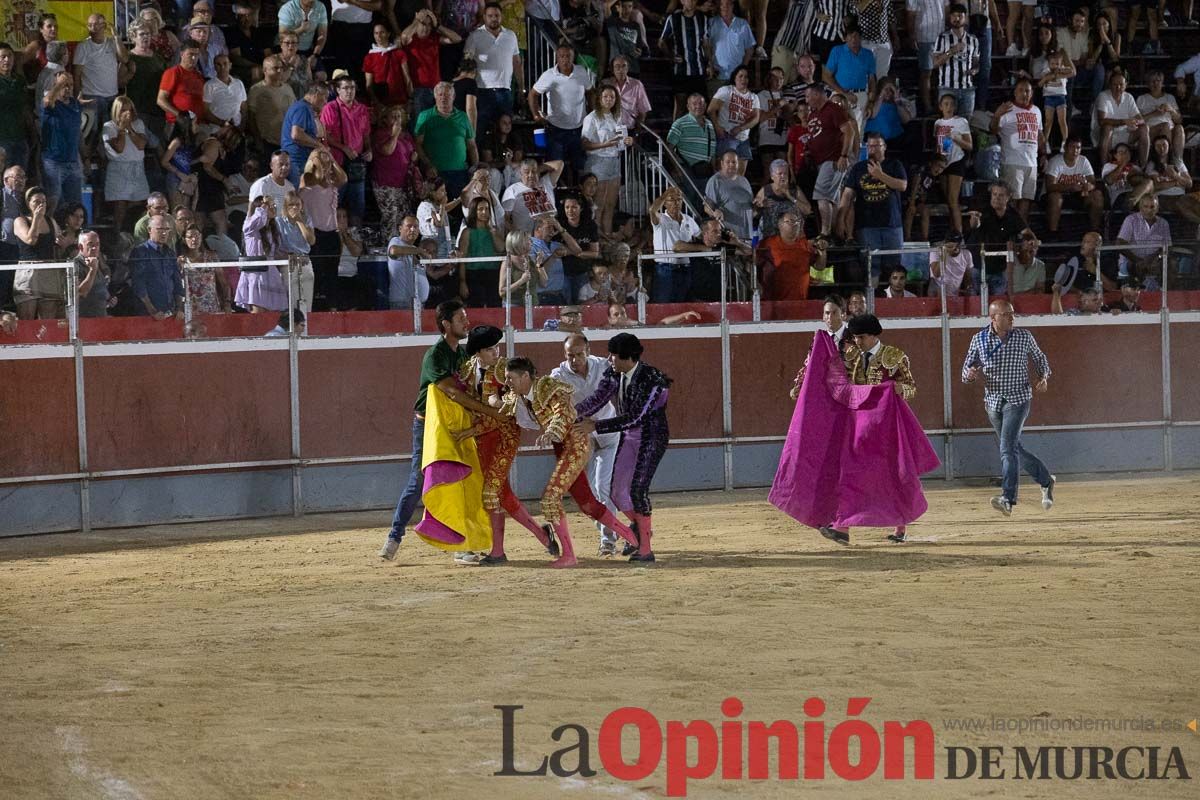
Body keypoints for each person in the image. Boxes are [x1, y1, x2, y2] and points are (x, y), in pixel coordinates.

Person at [379, 300, 508, 561]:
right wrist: (491, 413)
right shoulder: (435, 355)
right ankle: (395, 535)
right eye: (461, 319)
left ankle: (460, 546)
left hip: (456, 426)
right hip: (428, 426)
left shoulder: (462, 356)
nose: (466, 322)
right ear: (446, 324)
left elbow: (469, 391)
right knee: (418, 482)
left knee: (461, 481)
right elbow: (452, 392)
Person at [502, 355, 640, 567]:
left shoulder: (547, 385)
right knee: (588, 504)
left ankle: (569, 556)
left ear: (525, 376)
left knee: (550, 498)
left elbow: (563, 410)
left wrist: (552, 430)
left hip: (575, 444)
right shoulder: (519, 396)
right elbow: (503, 408)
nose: (507, 383)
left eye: (510, 378)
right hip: (562, 448)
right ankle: (633, 539)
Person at [449, 325, 558, 564]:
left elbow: (505, 415)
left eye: (496, 347)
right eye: (489, 349)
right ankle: (543, 535)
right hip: (483, 438)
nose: (496, 353)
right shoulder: (467, 370)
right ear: (477, 352)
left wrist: (470, 430)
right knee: (502, 494)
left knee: (491, 492)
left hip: (504, 437)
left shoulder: (505, 373)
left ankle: (498, 552)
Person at [819, 313, 921, 544]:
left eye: (862, 337)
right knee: (848, 472)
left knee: (895, 475)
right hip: (857, 424)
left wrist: (896, 388)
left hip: (886, 428)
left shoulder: (894, 357)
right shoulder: (851, 355)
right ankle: (841, 527)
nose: (857, 342)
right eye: (854, 337)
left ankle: (900, 527)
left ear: (874, 335)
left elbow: (911, 388)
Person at [573, 333, 671, 562]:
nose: (609, 359)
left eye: (613, 356)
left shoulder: (653, 380)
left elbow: (636, 417)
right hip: (629, 435)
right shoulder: (614, 372)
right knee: (616, 491)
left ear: (627, 358)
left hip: (651, 437)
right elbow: (598, 398)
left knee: (637, 490)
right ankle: (639, 526)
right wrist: (572, 415)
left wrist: (595, 426)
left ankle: (645, 549)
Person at [962, 299, 1055, 516]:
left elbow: (1041, 359)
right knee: (1013, 449)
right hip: (993, 402)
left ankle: (1008, 498)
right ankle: (1045, 479)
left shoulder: (1024, 337)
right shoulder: (979, 340)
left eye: (1012, 314)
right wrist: (970, 375)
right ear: (993, 318)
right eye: (1006, 315)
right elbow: (966, 372)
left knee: (1007, 449)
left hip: (1018, 399)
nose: (1012, 318)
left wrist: (1044, 377)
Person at [550, 334, 624, 555]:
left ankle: (608, 540)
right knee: (589, 494)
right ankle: (613, 527)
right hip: (583, 438)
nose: (575, 360)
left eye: (579, 355)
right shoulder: (558, 375)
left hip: (609, 433)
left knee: (603, 488)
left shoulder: (604, 366)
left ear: (588, 351)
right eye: (570, 356)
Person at [837, 132, 908, 282]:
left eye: (876, 146)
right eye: (869, 146)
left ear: (884, 147)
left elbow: (902, 185)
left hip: (892, 225)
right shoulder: (858, 168)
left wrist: (880, 175)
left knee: (894, 267)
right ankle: (872, 300)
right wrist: (840, 219)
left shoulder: (894, 164)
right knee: (870, 268)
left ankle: (891, 301)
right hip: (866, 226)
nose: (872, 149)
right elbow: (847, 195)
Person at [529, 43, 594, 176]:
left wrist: (592, 114)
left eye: (568, 56)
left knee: (580, 167)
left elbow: (590, 92)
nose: (565, 59)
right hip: (556, 130)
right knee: (554, 167)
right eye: (562, 56)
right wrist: (536, 115)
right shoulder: (549, 75)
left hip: (579, 129)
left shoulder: (581, 71)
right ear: (557, 58)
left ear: (573, 57)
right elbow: (533, 94)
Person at [798, 84, 855, 238]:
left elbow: (849, 131)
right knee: (832, 198)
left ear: (817, 95)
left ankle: (825, 233)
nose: (807, 100)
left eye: (808, 96)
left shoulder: (833, 109)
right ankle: (838, 234)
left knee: (822, 195)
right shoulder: (813, 114)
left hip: (833, 159)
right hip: (819, 161)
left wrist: (844, 156)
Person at [320, 73, 372, 226]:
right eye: (346, 88)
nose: (350, 91)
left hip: (357, 164)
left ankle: (356, 240)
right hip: (337, 164)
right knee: (334, 204)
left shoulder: (362, 109)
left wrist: (369, 150)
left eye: (352, 88)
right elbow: (325, 135)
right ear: (337, 90)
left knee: (358, 207)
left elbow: (366, 134)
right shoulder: (330, 108)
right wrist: (344, 148)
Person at [582, 85, 633, 235]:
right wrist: (605, 144)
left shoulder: (616, 116)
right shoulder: (591, 118)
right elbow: (584, 143)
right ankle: (596, 240)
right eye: (606, 96)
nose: (609, 100)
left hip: (614, 160)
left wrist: (628, 141)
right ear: (599, 98)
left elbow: (621, 138)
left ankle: (608, 235)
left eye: (612, 97)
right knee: (599, 204)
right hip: (599, 161)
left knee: (610, 204)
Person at [991, 78, 1044, 222]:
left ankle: (1021, 231)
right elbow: (993, 129)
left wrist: (1044, 154)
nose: (1024, 93)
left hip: (1032, 163)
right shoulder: (1007, 109)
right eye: (1021, 90)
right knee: (1012, 200)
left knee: (1026, 199)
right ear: (1014, 92)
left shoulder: (1037, 111)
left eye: (1027, 90)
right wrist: (997, 115)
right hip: (1012, 162)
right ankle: (1009, 233)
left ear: (1032, 93)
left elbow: (1039, 134)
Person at [11, 187, 65, 319]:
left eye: (44, 201)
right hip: (29, 272)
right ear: (28, 203)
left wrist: (61, 242)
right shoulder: (20, 221)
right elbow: (31, 240)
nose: (41, 204)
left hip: (49, 271)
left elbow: (60, 246)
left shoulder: (51, 221)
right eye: (36, 201)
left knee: (48, 319)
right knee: (27, 316)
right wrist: (36, 219)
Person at [103, 96, 151, 233]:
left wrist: (129, 127)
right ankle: (119, 238)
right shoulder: (108, 127)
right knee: (120, 207)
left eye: (130, 110)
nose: (128, 113)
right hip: (118, 170)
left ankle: (135, 236)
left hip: (137, 168)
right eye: (124, 110)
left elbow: (141, 145)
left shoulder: (138, 124)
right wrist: (122, 129)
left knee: (137, 206)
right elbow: (119, 148)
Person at [758, 211, 825, 301]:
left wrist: (823, 252)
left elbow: (819, 267)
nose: (794, 225)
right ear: (780, 224)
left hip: (800, 301)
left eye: (797, 222)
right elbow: (754, 262)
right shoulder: (768, 243)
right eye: (789, 221)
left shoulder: (805, 244)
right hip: (773, 302)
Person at [708, 66, 761, 177]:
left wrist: (741, 128)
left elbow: (756, 118)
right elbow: (711, 110)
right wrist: (717, 127)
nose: (743, 79)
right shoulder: (726, 90)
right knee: (722, 173)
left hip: (744, 139)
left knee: (740, 176)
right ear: (735, 78)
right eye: (740, 76)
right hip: (727, 136)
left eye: (746, 77)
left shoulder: (754, 97)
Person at [1044, 136, 1104, 234]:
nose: (1075, 150)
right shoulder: (1056, 161)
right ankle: (1052, 233)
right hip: (1057, 196)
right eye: (1072, 147)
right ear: (1065, 148)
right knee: (1056, 197)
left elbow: (1093, 183)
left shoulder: (1083, 161)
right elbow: (1050, 186)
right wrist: (1070, 187)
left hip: (1077, 196)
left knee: (1097, 195)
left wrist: (1088, 186)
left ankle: (1094, 232)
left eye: (1078, 148)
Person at [129, 215, 184, 319]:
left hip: (170, 313)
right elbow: (139, 284)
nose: (164, 233)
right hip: (147, 314)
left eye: (167, 229)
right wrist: (152, 310)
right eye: (159, 229)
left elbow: (177, 282)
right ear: (149, 230)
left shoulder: (170, 253)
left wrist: (179, 308)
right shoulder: (140, 252)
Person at [823, 23, 877, 129]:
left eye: (856, 36)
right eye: (850, 36)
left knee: (858, 131)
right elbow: (826, 76)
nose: (853, 39)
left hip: (861, 95)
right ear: (845, 38)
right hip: (840, 95)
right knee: (839, 129)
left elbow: (872, 80)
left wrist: (871, 102)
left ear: (861, 38)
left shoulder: (868, 54)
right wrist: (844, 93)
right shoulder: (837, 51)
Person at [1092, 71, 1148, 167]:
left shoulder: (1128, 97)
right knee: (1107, 128)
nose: (1118, 87)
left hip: (1125, 134)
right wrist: (1124, 121)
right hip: (1106, 136)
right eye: (1115, 84)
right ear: (1110, 85)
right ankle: (1105, 168)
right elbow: (1102, 121)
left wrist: (1134, 122)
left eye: (1121, 84)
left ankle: (1143, 167)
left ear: (1125, 85)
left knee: (1144, 128)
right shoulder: (1103, 96)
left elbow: (1141, 119)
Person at [1116, 193, 1171, 291]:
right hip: (1132, 260)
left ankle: (1167, 293)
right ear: (1140, 207)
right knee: (1138, 266)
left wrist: (1156, 257)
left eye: (1152, 207)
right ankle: (1139, 292)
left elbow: (1167, 247)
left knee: (1172, 264)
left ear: (1157, 208)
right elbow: (1120, 243)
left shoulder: (1164, 223)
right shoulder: (1131, 220)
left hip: (1154, 260)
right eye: (1145, 206)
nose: (1149, 210)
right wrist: (1138, 260)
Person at [246, 56, 296, 162]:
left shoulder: (288, 88)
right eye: (275, 68)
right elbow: (251, 117)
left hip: (288, 142)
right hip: (268, 143)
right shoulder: (256, 90)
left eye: (281, 68)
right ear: (265, 70)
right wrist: (257, 140)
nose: (279, 71)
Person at [667, 93, 719, 195]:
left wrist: (714, 171)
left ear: (705, 105)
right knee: (690, 202)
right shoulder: (680, 123)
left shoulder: (709, 124)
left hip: (705, 172)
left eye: (701, 103)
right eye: (694, 103)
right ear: (688, 106)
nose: (698, 106)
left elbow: (712, 151)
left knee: (705, 204)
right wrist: (677, 169)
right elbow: (669, 148)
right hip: (687, 171)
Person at [281, 82, 329, 188]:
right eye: (325, 97)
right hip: (296, 161)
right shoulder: (302, 108)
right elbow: (296, 134)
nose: (325, 102)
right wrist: (319, 145)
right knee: (298, 197)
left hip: (300, 159)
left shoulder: (306, 108)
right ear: (316, 94)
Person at [704, 150, 754, 241]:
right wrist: (715, 212)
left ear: (738, 163)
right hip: (729, 236)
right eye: (728, 162)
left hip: (747, 235)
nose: (731, 164)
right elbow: (707, 207)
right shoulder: (715, 181)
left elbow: (751, 206)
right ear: (722, 163)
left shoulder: (744, 181)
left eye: (734, 162)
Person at [929, 231, 975, 296]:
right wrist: (944, 253)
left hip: (955, 291)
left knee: (972, 292)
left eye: (957, 245)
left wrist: (968, 288)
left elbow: (968, 277)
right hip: (938, 289)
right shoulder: (936, 252)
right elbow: (937, 274)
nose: (954, 247)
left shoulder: (966, 254)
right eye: (950, 244)